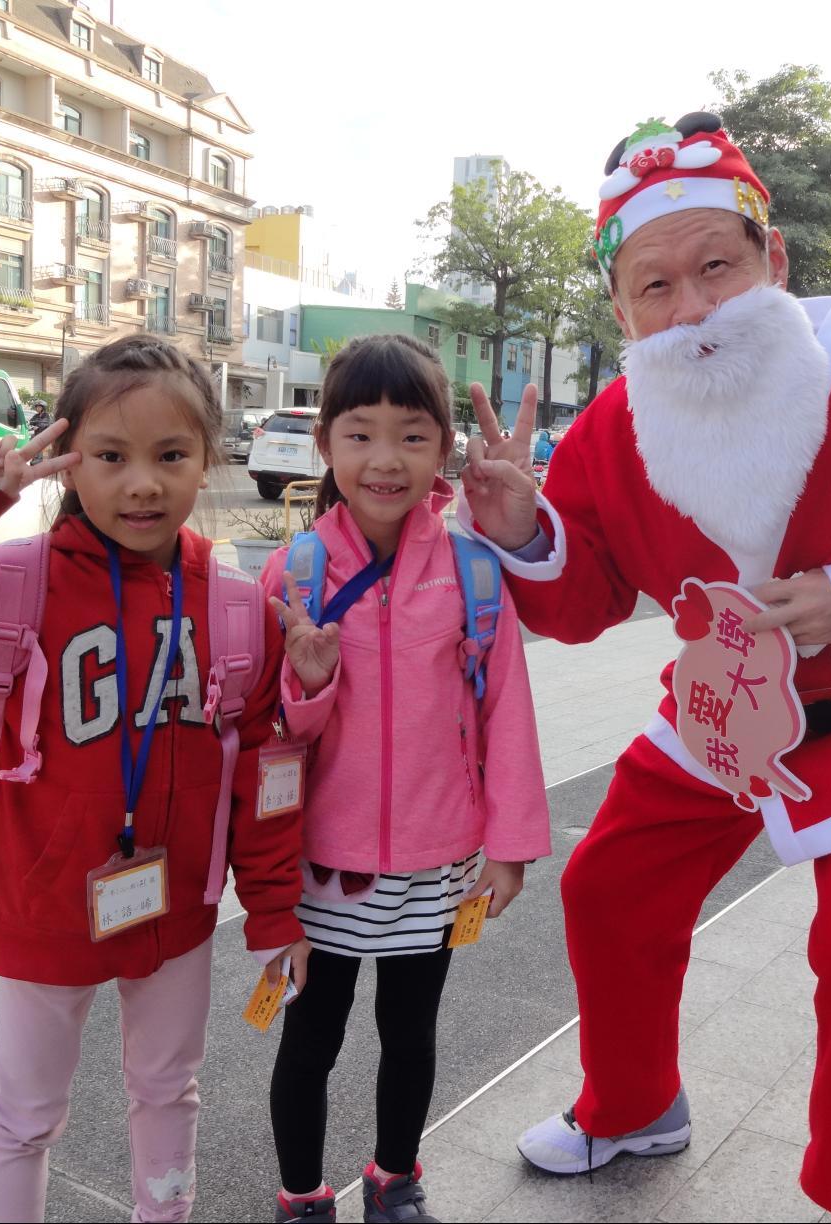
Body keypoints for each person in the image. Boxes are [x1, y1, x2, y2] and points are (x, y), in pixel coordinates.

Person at [459, 112, 831, 1223]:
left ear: (773, 259)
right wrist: (524, 531)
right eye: (655, 287)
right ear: (621, 308)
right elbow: (588, 596)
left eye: (716, 269)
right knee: (610, 882)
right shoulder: (612, 429)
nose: (691, 311)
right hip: (724, 715)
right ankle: (635, 1103)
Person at [0, 335, 308, 1223]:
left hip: (175, 914)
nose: (142, 485)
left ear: (209, 458)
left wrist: (274, 911)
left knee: (170, 1092)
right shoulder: (11, 587)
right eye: (111, 457)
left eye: (171, 456)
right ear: (66, 459)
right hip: (41, 907)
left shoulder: (237, 608)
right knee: (25, 1115)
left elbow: (262, 778)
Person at [261, 334, 552, 1224]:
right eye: (361, 434)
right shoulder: (296, 574)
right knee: (309, 1037)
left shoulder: (472, 572)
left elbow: (506, 712)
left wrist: (510, 849)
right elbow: (267, 737)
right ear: (327, 446)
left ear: (444, 449)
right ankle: (304, 1195)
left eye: (412, 435)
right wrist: (308, 685)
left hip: (436, 864)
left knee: (411, 1032)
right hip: (322, 864)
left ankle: (395, 1177)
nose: (385, 459)